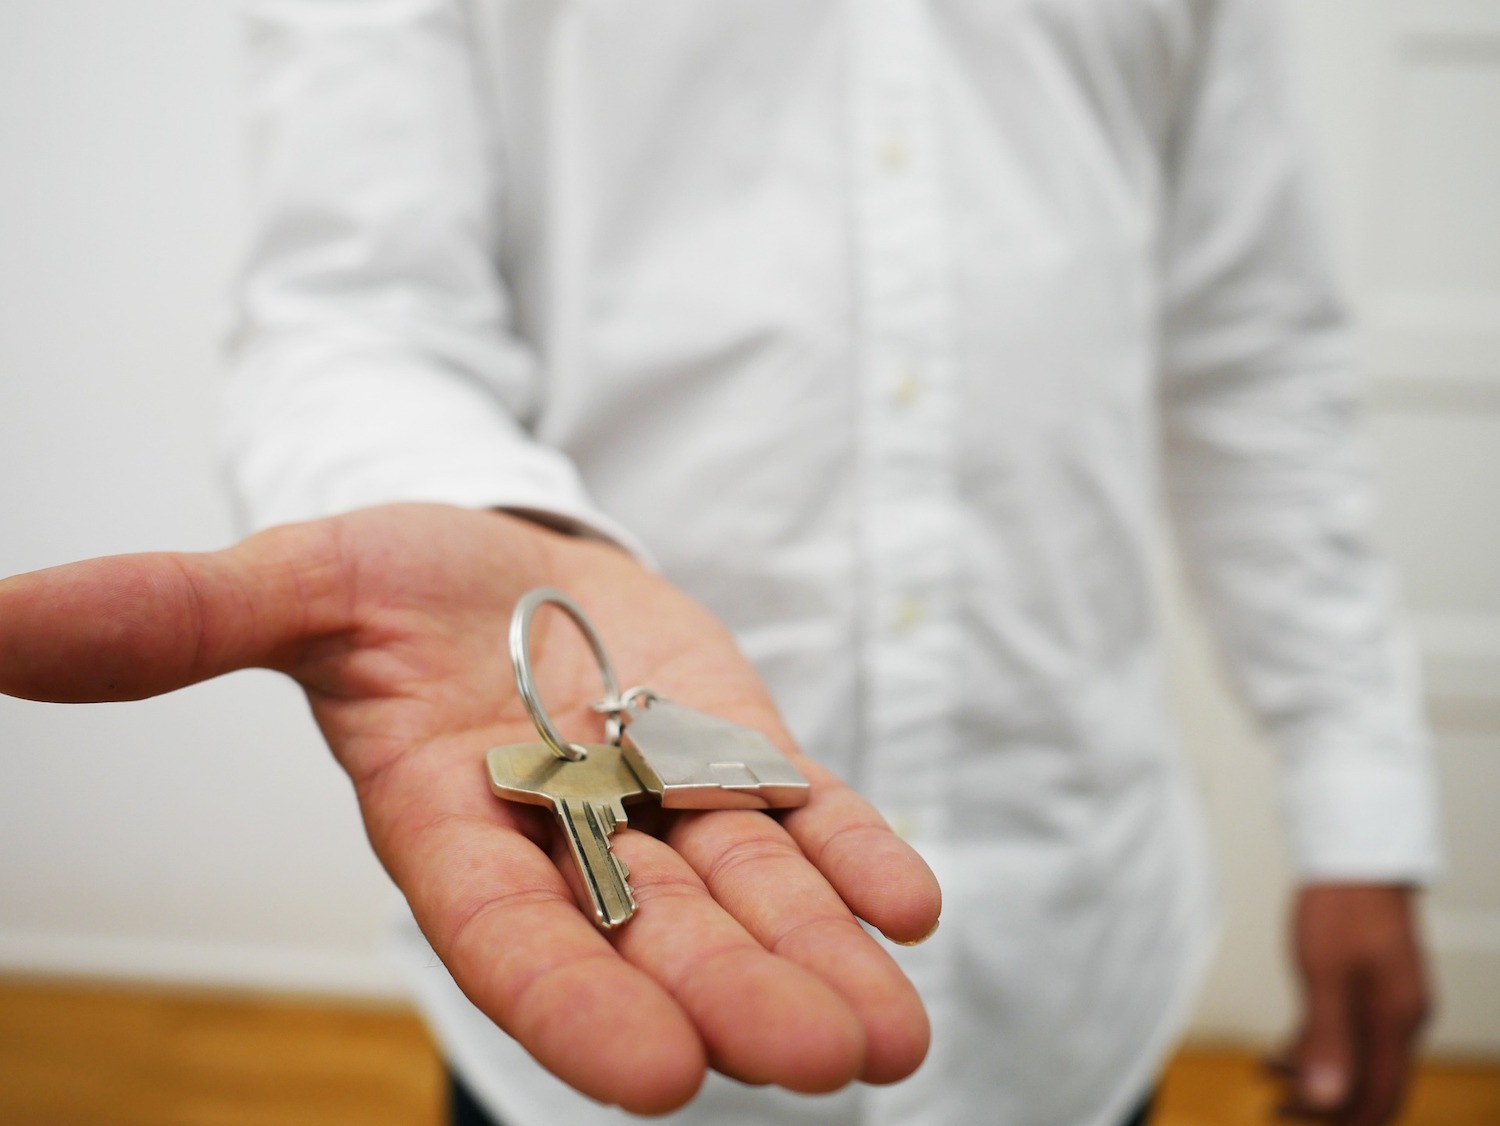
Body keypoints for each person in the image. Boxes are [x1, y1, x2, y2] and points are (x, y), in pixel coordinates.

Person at [0, 1, 1441, 1124]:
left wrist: (1356, 801)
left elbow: (1256, 350)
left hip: (1073, 951)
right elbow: (351, 303)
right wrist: (484, 521)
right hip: (578, 1013)